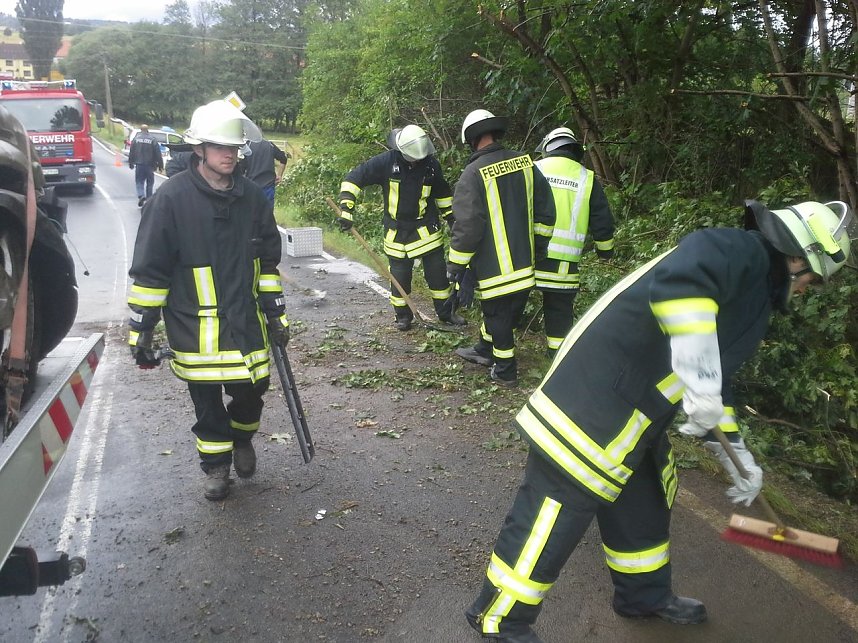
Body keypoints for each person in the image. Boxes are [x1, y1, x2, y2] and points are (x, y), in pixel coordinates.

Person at [465, 200, 855, 642]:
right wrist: (702, 379)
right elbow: (682, 286)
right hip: (591, 406)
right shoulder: (735, 250)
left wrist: (735, 454)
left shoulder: (754, 299)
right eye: (814, 280)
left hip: (634, 418)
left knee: (646, 497)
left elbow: (715, 380)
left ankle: (643, 595)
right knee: (556, 512)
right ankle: (499, 617)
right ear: (800, 258)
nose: (808, 290)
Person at [126, 100, 291, 501]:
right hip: (193, 326)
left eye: (234, 148)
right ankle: (216, 468)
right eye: (220, 147)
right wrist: (141, 332)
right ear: (198, 149)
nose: (229, 154)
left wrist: (276, 314)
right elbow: (151, 271)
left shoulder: (252, 198)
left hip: (245, 322)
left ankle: (242, 438)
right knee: (206, 402)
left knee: (253, 391)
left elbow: (268, 262)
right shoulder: (169, 200)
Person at [448, 109, 555, 386]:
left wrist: (456, 264)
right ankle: (484, 349)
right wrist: (539, 246)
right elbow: (546, 210)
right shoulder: (526, 163)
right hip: (525, 262)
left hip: (495, 267)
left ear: (472, 140)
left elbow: (468, 224)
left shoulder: (472, 174)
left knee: (497, 316)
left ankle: (505, 370)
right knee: (505, 315)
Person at [337, 124, 465, 330]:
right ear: (402, 151)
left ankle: (446, 313)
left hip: (426, 231)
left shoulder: (431, 165)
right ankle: (403, 316)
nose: (418, 160)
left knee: (438, 275)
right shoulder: (385, 162)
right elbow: (354, 179)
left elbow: (442, 194)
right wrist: (346, 209)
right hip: (397, 234)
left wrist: (451, 219)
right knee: (399, 278)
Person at [534, 127, 615, 357]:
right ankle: (556, 358)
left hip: (529, 255)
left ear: (548, 147)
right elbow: (602, 220)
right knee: (559, 311)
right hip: (564, 265)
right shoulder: (586, 177)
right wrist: (605, 253)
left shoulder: (534, 168)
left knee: (511, 304)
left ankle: (499, 353)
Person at [240, 138, 290, 205]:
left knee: (251, 213)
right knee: (267, 213)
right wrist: (279, 175)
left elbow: (241, 170)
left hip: (251, 187)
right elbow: (283, 159)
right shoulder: (270, 145)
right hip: (268, 187)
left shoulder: (247, 146)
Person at [127, 124, 164, 207]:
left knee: (139, 181)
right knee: (150, 183)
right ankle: (149, 200)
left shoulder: (136, 139)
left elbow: (131, 152)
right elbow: (158, 154)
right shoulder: (153, 140)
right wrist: (160, 165)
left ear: (140, 130)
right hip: (150, 165)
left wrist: (131, 162)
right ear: (148, 130)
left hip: (139, 164)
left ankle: (141, 195)